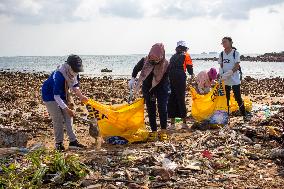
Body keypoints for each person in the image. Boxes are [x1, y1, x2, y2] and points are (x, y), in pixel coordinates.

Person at [42, 55, 88, 151]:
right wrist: (67, 109)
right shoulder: (59, 75)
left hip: (63, 93)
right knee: (58, 118)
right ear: (69, 66)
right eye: (75, 69)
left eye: (77, 70)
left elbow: (75, 86)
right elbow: (56, 96)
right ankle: (59, 144)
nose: (76, 72)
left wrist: (81, 97)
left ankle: (73, 142)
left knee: (68, 117)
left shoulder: (74, 73)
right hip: (50, 95)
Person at [129, 43, 170, 141]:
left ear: (161, 56)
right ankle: (154, 131)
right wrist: (133, 78)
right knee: (151, 109)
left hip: (161, 87)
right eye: (152, 60)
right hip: (147, 87)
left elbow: (167, 78)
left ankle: (163, 131)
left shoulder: (166, 64)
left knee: (162, 108)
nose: (153, 61)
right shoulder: (145, 60)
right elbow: (136, 69)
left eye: (156, 60)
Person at [218, 37, 248, 121]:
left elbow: (236, 66)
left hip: (234, 79)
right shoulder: (221, 54)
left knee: (238, 97)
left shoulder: (236, 53)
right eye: (222, 42)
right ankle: (226, 116)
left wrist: (229, 73)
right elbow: (221, 66)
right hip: (225, 80)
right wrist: (221, 74)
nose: (223, 44)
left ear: (231, 42)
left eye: (225, 42)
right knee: (226, 98)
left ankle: (244, 114)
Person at [167, 41, 193, 130]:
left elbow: (168, 68)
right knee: (180, 99)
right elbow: (190, 69)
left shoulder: (173, 57)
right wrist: (192, 75)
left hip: (171, 78)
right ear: (184, 48)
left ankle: (172, 124)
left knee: (172, 99)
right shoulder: (186, 55)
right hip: (180, 78)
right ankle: (184, 123)